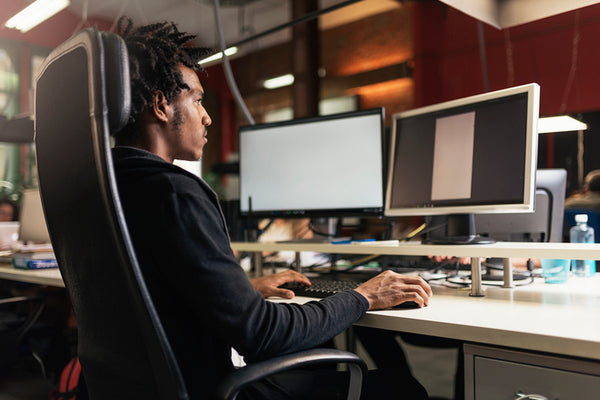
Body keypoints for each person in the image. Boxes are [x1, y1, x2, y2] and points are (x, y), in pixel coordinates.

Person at [111, 18, 432, 400]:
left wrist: (243, 292)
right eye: (197, 100)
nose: (207, 116)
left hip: (147, 387)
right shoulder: (174, 193)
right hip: (213, 390)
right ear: (162, 105)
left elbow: (154, 291)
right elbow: (261, 336)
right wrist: (363, 296)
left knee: (323, 351)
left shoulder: (113, 183)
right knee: (401, 387)